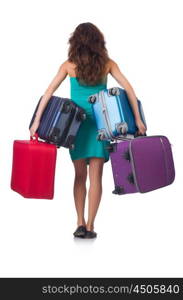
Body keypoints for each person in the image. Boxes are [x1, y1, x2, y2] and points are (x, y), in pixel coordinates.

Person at [29, 22, 146, 239]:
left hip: (75, 127)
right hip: (102, 126)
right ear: (98, 42)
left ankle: (79, 223)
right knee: (96, 176)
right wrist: (138, 120)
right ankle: (91, 226)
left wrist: (37, 122)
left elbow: (48, 91)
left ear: (75, 42)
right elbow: (128, 89)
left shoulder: (68, 65)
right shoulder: (107, 64)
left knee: (79, 176)